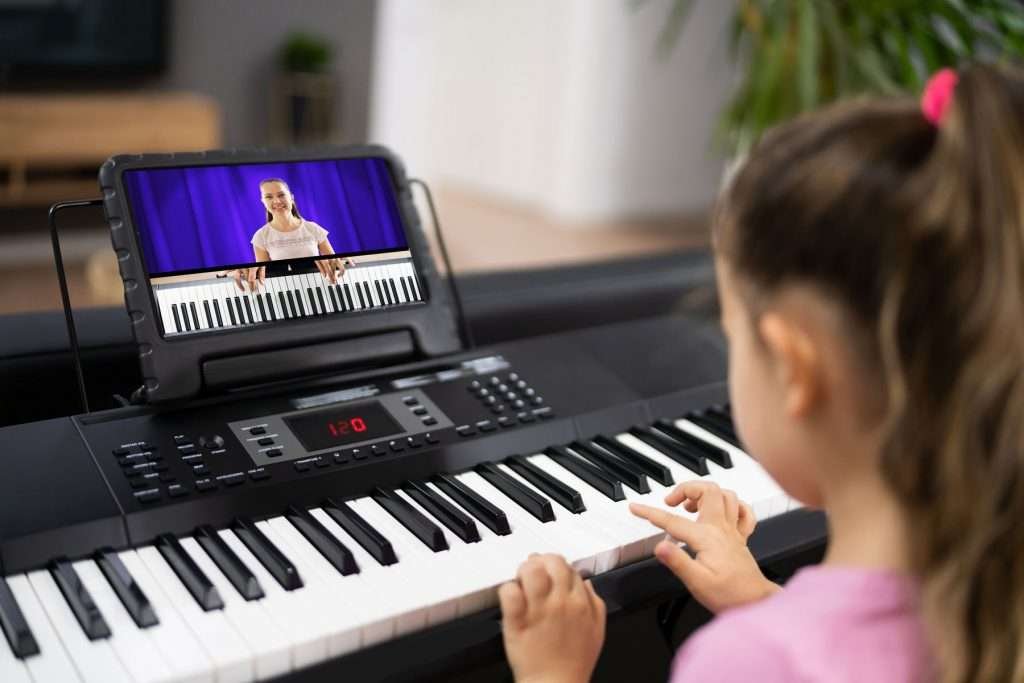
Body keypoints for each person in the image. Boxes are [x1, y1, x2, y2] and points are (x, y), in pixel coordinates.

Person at [499, 62, 1024, 682]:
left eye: (733, 336)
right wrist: (761, 596)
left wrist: (553, 675)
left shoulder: (747, 663)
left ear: (795, 368)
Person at [231, 178, 352, 291]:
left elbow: (332, 261)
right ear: (263, 202)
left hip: (321, 287)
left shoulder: (313, 228)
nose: (277, 201)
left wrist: (342, 261)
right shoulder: (261, 236)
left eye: (281, 195)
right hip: (286, 292)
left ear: (291, 197)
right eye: (269, 197)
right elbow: (264, 275)